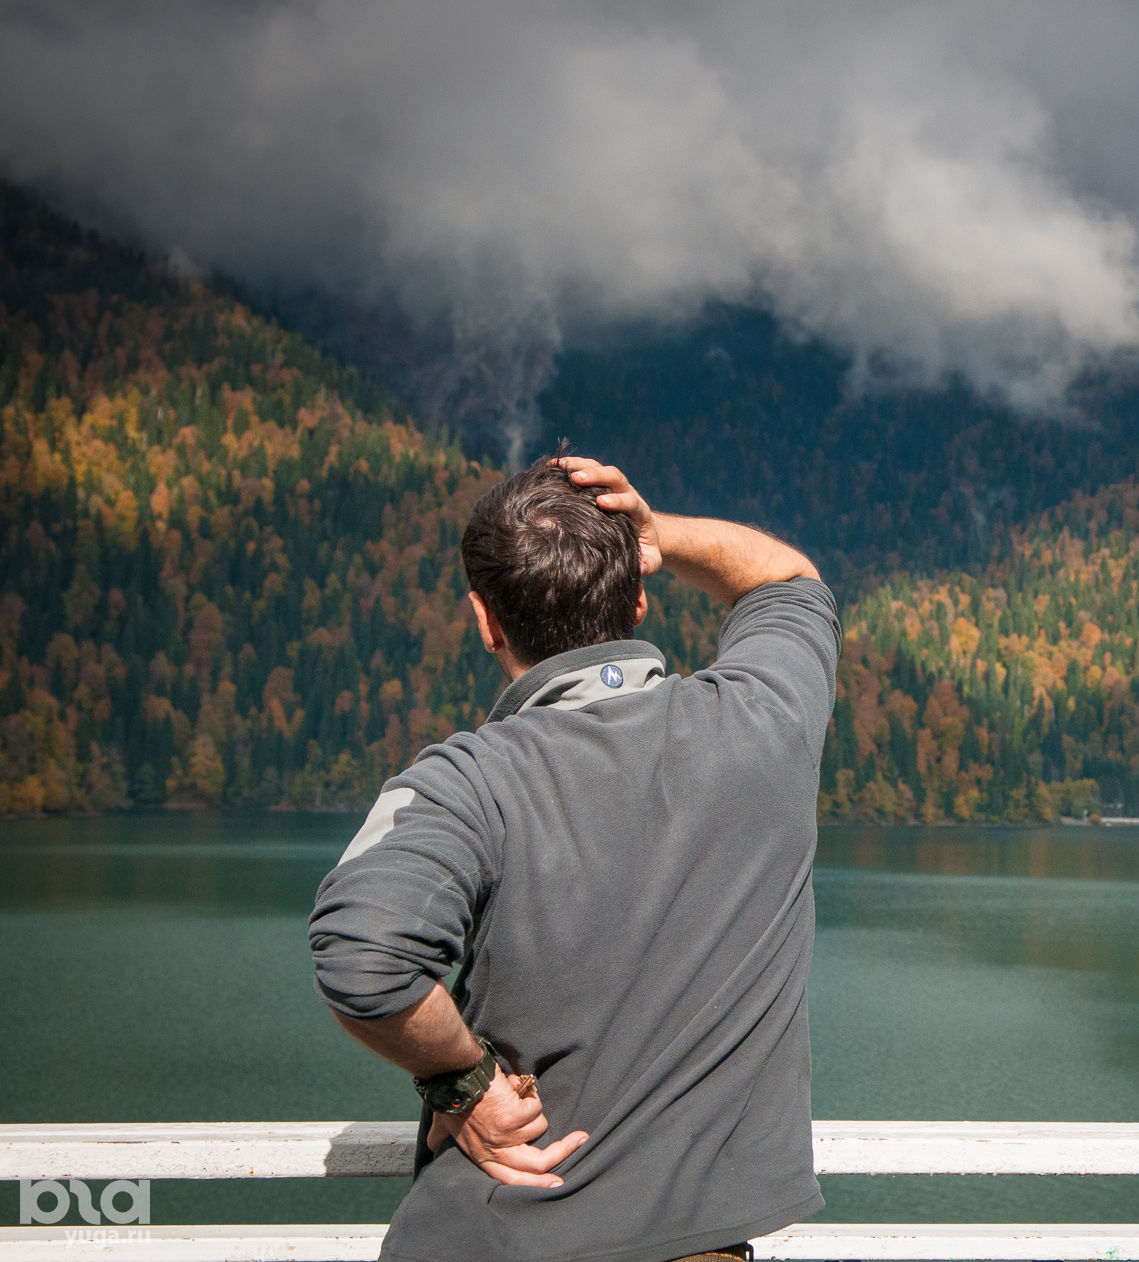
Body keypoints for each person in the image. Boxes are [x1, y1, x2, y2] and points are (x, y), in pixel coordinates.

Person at [309, 450, 839, 1262]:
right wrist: (658, 533)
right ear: (638, 595)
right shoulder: (764, 722)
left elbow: (361, 959)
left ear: (485, 619)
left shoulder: (465, 783)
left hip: (493, 1240)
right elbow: (787, 581)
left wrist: (465, 1080)